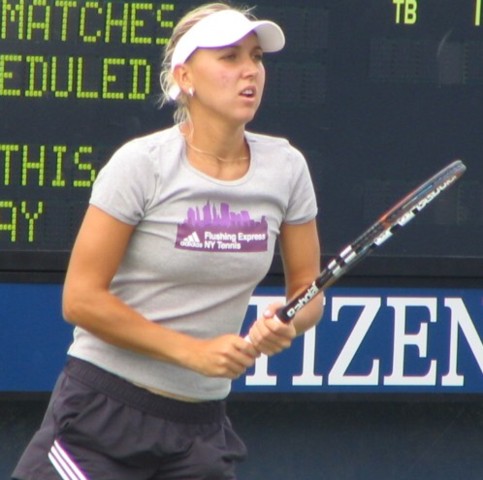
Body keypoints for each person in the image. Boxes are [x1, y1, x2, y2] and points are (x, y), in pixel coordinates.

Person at [12, 2, 323, 479]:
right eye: (229, 57)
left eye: (256, 57)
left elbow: (308, 291)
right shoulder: (141, 164)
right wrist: (192, 352)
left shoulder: (286, 168)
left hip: (200, 431)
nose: (250, 72)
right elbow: (80, 299)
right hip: (101, 415)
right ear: (185, 76)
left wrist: (288, 322)